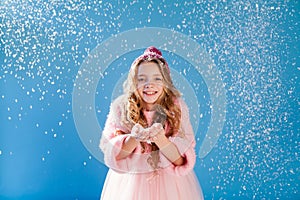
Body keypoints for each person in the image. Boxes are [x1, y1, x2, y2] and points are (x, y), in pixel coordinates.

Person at [99, 46, 203, 200]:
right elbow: (113, 155)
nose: (149, 84)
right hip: (131, 184)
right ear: (134, 82)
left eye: (157, 78)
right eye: (142, 79)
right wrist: (134, 138)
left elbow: (182, 162)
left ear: (166, 82)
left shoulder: (177, 108)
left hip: (171, 186)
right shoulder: (121, 108)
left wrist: (161, 140)